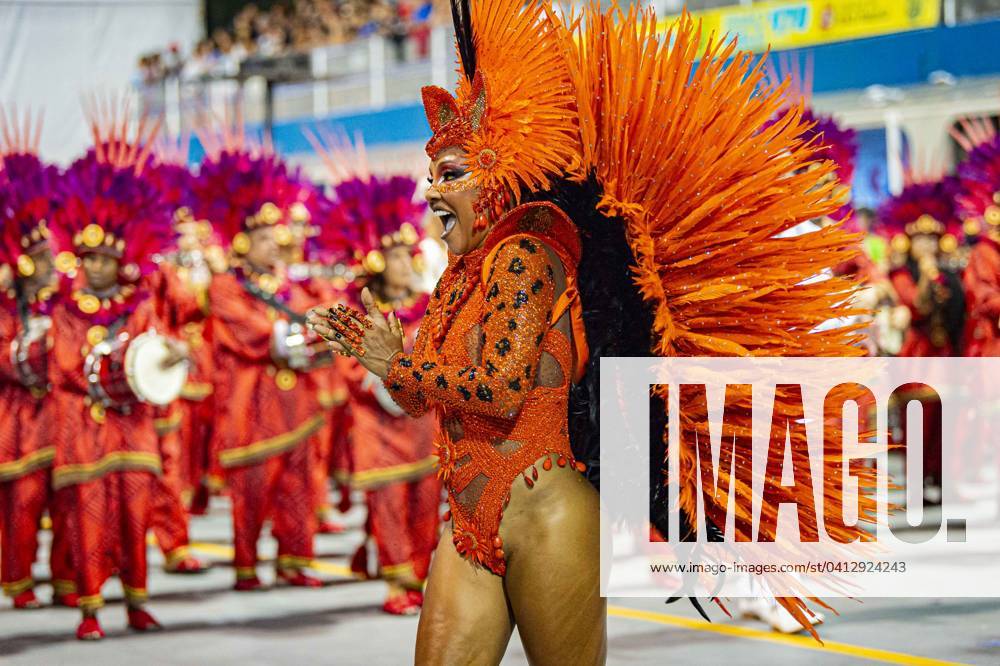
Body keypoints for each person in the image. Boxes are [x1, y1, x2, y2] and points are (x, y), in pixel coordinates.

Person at [307, 1, 877, 661]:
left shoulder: (528, 252)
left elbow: (499, 387)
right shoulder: (458, 278)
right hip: (469, 523)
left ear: (498, 177)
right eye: (431, 173)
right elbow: (427, 399)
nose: (429, 192)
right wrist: (382, 363)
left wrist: (400, 365)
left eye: (451, 174)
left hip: (548, 518)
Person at [48, 105, 187, 640]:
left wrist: (172, 357)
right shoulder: (65, 310)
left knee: (134, 519)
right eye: (89, 259)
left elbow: (153, 349)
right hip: (85, 433)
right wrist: (111, 363)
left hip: (134, 432)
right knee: (89, 523)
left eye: (105, 260)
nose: (95, 268)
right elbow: (66, 366)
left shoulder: (140, 304)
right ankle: (88, 610)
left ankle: (136, 603)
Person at [192, 131, 331, 591]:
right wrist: (285, 337)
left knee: (297, 487)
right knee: (251, 490)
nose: (276, 243)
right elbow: (246, 329)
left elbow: (318, 312)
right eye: (264, 237)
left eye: (276, 235)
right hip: (251, 409)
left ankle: (295, 560)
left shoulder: (288, 282)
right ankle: (247, 564)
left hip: (295, 405)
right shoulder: (225, 286)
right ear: (241, 241)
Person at [309, 131, 440, 615]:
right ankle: (395, 580)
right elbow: (347, 368)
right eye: (401, 254)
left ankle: (420, 576)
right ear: (377, 259)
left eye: (412, 253)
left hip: (423, 423)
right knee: (387, 503)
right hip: (377, 425)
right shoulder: (355, 310)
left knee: (427, 502)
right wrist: (381, 374)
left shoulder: (431, 304)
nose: (411, 262)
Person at [0, 112, 76, 610]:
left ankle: (70, 581)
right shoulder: (8, 308)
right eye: (43, 258)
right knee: (22, 505)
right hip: (19, 420)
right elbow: (8, 360)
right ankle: (19, 581)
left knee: (69, 503)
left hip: (64, 420)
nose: (53, 266)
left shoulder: (68, 305)